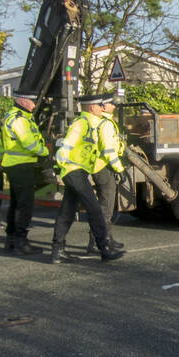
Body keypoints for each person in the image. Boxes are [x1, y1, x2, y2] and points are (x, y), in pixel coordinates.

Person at [51, 95, 126, 261]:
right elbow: (66, 146)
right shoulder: (81, 123)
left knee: (67, 212)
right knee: (95, 209)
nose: (102, 108)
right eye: (100, 105)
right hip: (74, 171)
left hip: (78, 171)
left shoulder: (91, 124)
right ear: (92, 108)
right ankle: (104, 250)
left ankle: (58, 251)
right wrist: (61, 165)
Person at [0, 90, 48, 255]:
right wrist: (46, 152)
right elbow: (29, 143)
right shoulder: (19, 119)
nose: (34, 105)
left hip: (17, 165)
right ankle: (21, 242)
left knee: (15, 204)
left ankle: (11, 239)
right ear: (21, 101)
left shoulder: (20, 117)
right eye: (32, 101)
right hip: (20, 165)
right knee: (24, 205)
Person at [85, 96, 127, 253]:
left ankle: (107, 237)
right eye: (111, 104)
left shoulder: (103, 122)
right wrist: (119, 169)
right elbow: (108, 150)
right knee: (106, 207)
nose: (114, 106)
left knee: (107, 206)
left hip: (101, 166)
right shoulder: (105, 124)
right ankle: (97, 241)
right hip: (104, 167)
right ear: (103, 106)